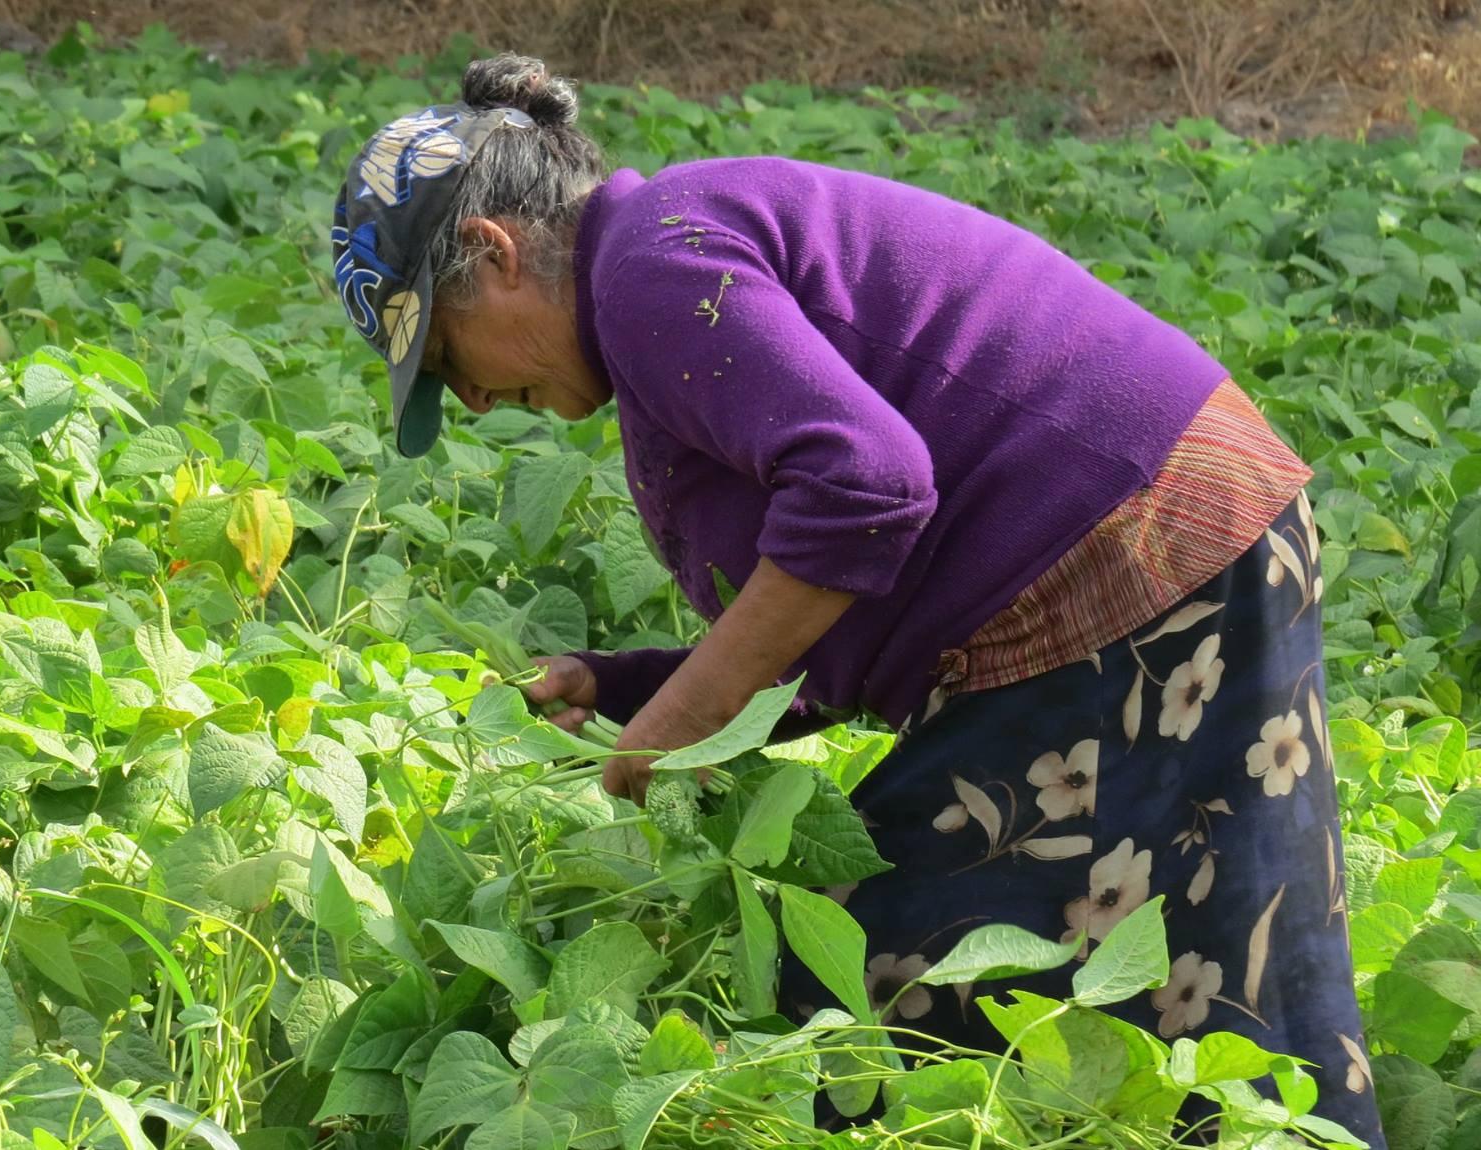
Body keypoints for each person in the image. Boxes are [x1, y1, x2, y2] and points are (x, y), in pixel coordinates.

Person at [329, 52, 1384, 1146]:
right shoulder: (651, 290)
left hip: (1140, 549)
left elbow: (869, 488)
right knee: (1210, 975)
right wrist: (623, 686)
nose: (480, 400)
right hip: (1169, 539)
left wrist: (681, 718)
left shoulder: (644, 269)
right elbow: (826, 598)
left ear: (495, 254)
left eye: (451, 363)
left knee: (866, 991)